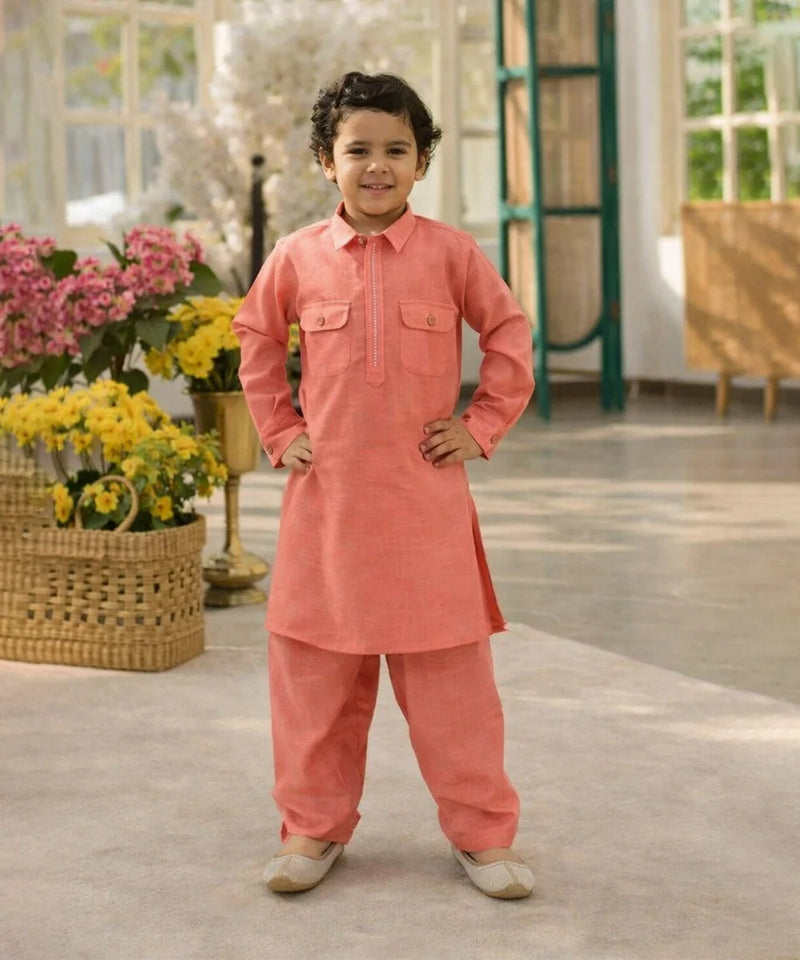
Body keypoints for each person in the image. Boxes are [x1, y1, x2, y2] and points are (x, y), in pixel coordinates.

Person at [232, 71, 535, 900]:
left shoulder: (452, 253)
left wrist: (480, 426)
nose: (377, 165)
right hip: (327, 511)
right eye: (358, 149)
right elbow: (256, 339)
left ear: (421, 161)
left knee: (453, 688)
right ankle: (311, 828)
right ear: (325, 161)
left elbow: (509, 333)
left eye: (396, 149)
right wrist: (281, 431)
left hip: (424, 511)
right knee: (315, 679)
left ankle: (484, 835)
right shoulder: (296, 256)